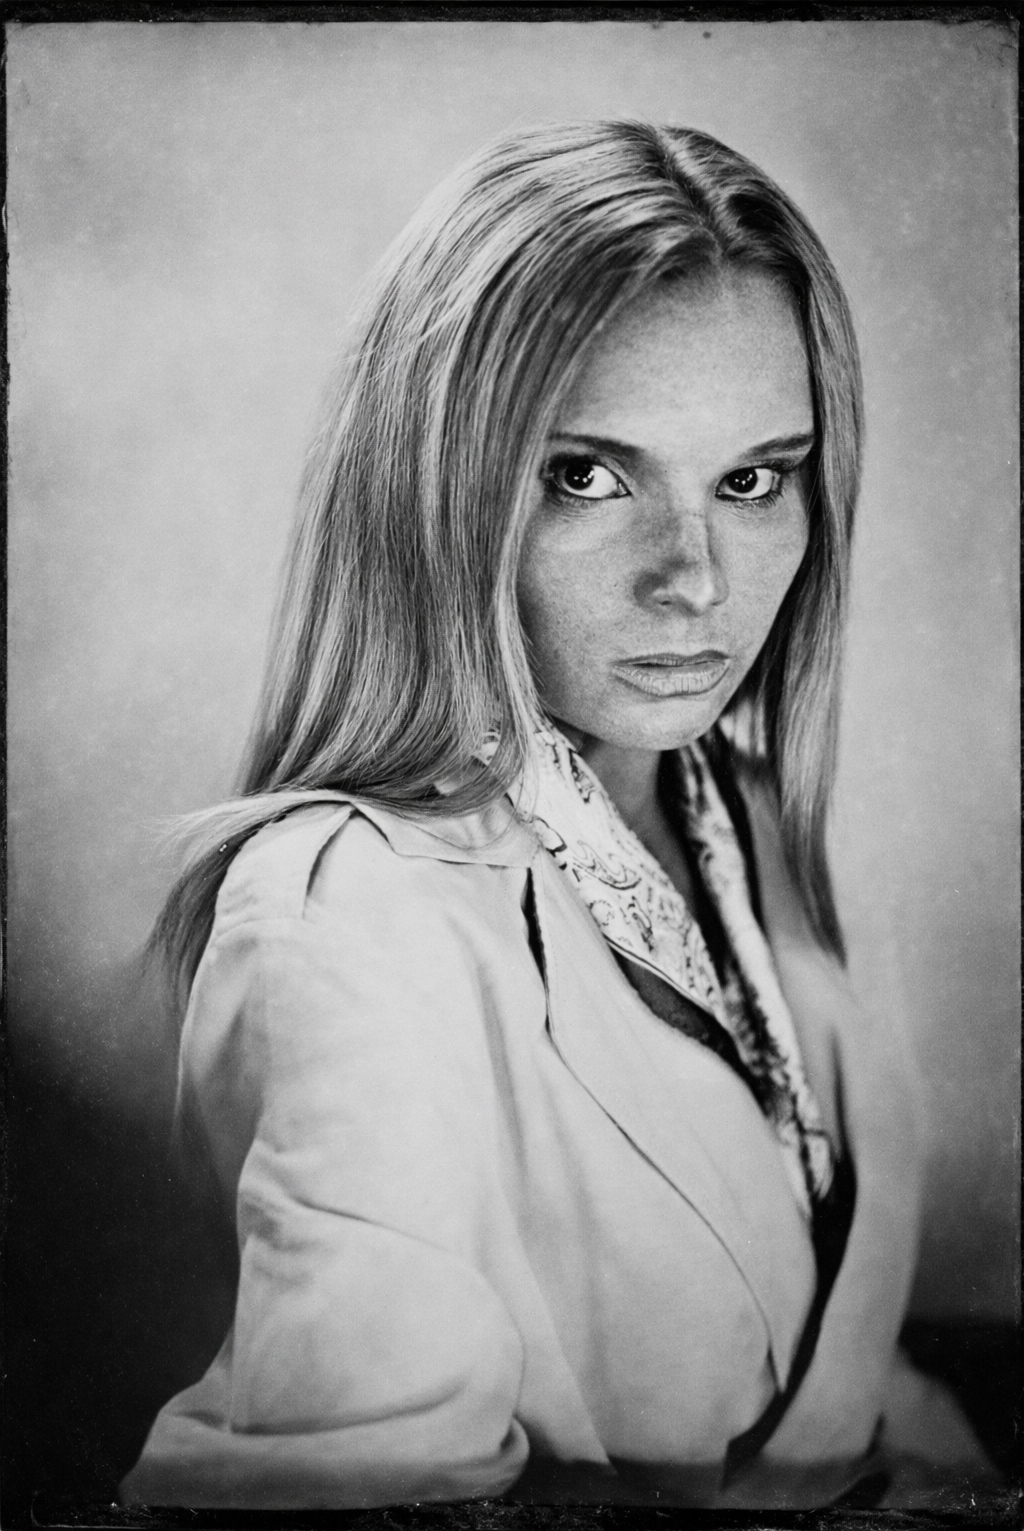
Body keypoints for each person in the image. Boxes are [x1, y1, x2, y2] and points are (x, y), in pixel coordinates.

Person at [121, 120, 997, 1511]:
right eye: (588, 475)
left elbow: (833, 1362)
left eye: (753, 479)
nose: (694, 579)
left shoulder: (772, 829)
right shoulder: (350, 915)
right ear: (436, 492)